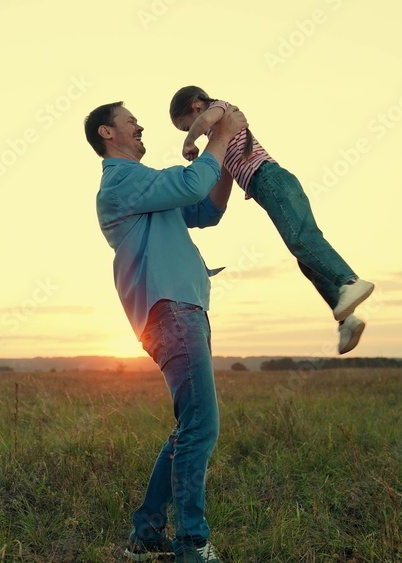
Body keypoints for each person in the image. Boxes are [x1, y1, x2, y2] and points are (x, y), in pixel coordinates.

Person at [84, 100, 246, 563]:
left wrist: (228, 161)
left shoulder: (148, 185)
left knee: (188, 426)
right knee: (201, 426)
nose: (138, 126)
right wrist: (221, 135)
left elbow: (205, 209)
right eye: (129, 121)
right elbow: (192, 179)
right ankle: (192, 545)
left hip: (183, 309)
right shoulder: (122, 181)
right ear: (107, 133)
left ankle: (147, 537)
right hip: (171, 310)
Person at [170, 86, 375, 354]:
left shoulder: (219, 109)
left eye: (186, 126)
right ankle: (347, 319)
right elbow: (222, 170)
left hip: (270, 179)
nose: (192, 131)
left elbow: (204, 122)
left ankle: (348, 281)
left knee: (301, 240)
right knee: (306, 260)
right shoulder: (222, 130)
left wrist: (189, 142)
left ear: (197, 105)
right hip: (267, 186)